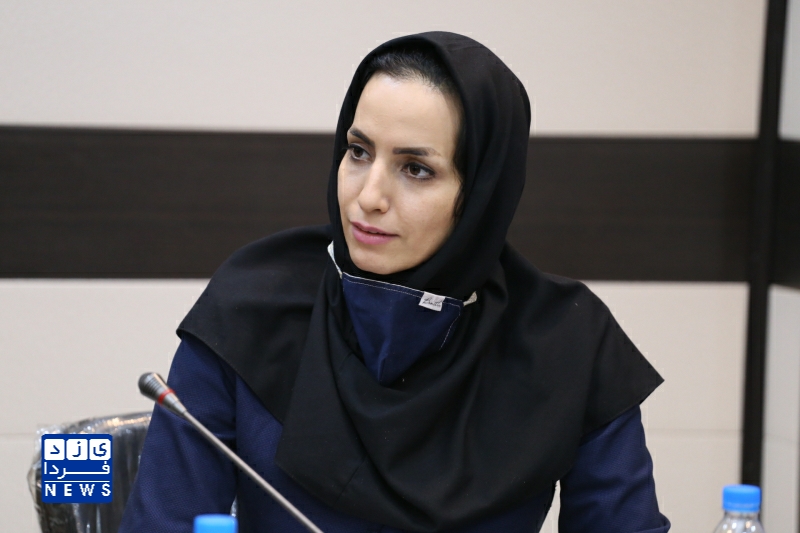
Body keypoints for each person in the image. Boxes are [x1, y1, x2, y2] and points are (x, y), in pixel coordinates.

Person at [119, 32, 670, 533]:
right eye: (358, 152)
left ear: (481, 193)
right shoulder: (252, 305)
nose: (369, 197)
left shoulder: (568, 340)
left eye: (416, 169)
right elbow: (162, 524)